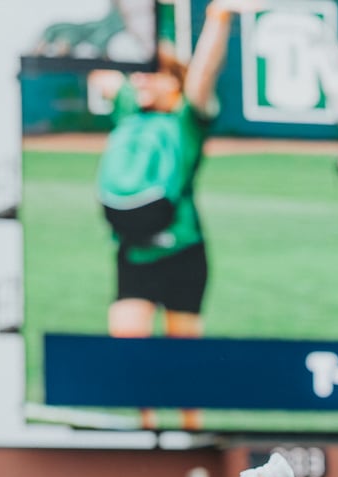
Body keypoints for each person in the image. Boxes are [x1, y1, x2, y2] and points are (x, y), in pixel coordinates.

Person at [88, 0, 251, 338]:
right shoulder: (129, 108)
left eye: (152, 73)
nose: (141, 79)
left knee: (183, 361)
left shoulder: (187, 118)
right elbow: (96, 66)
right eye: (140, 72)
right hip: (134, 251)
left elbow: (204, 71)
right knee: (127, 353)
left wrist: (218, 16)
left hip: (184, 251)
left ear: (174, 83)